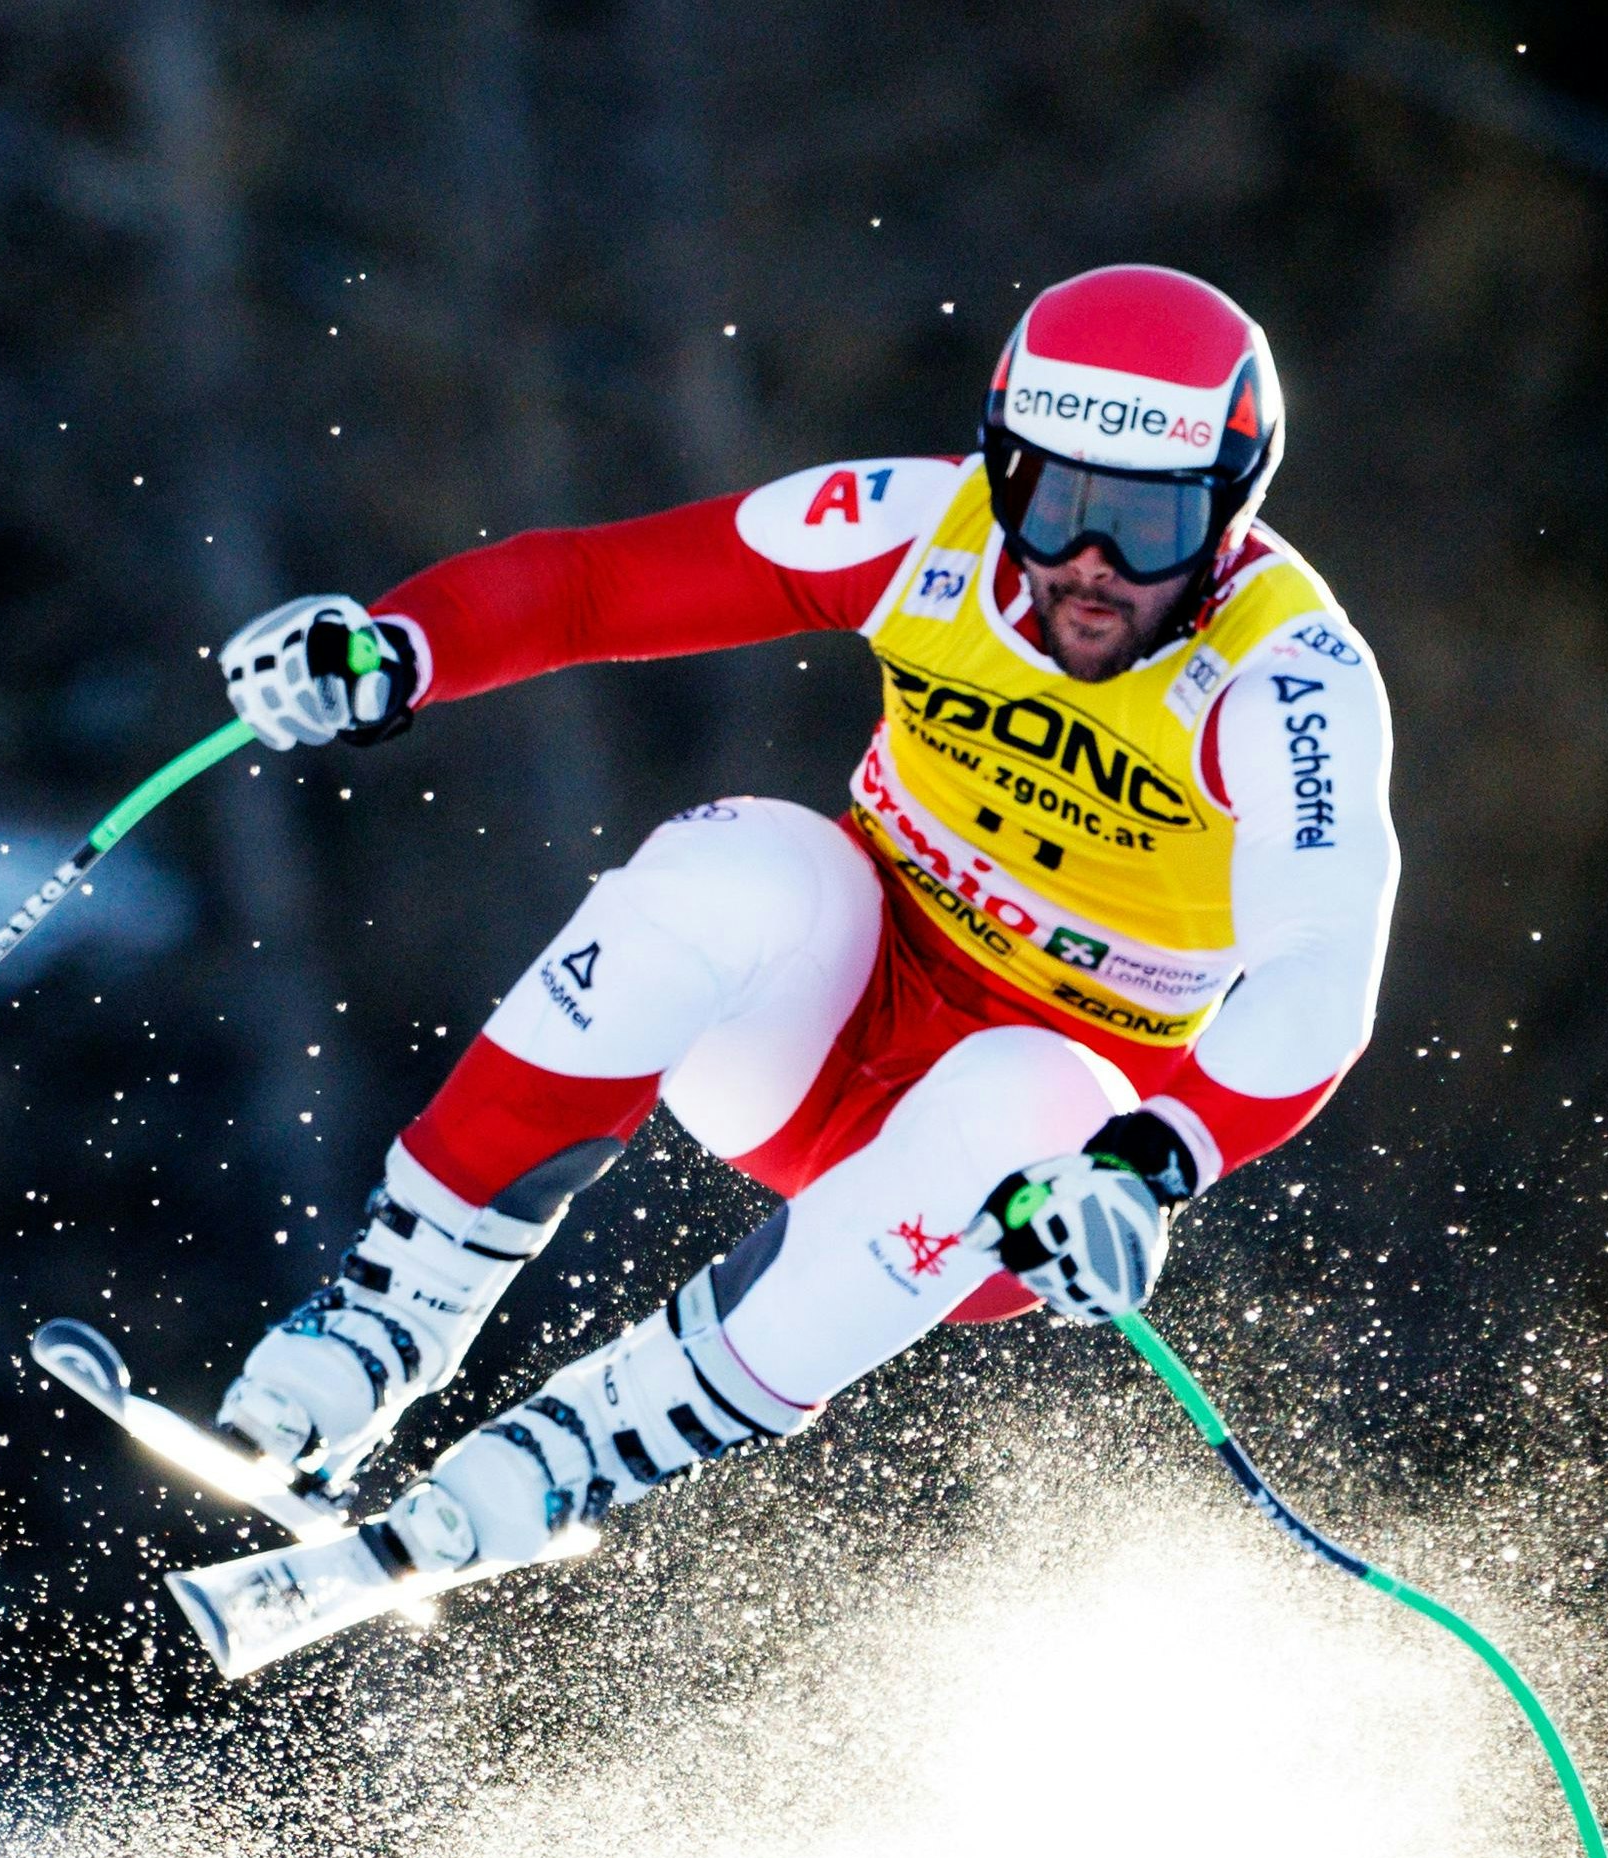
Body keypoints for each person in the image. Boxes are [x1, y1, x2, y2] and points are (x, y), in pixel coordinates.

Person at [202, 263, 1396, 1595]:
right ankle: (384, 1320)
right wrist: (392, 647)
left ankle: (570, 1452)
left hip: (1004, 1174)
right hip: (825, 1030)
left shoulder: (1288, 683)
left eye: (1146, 525)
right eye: (1051, 501)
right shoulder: (921, 528)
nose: (1087, 565)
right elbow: (600, 586)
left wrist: (1147, 1162)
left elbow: (1323, 981)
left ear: (1229, 519)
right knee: (745, 858)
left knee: (1031, 1084)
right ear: (1000, 464)